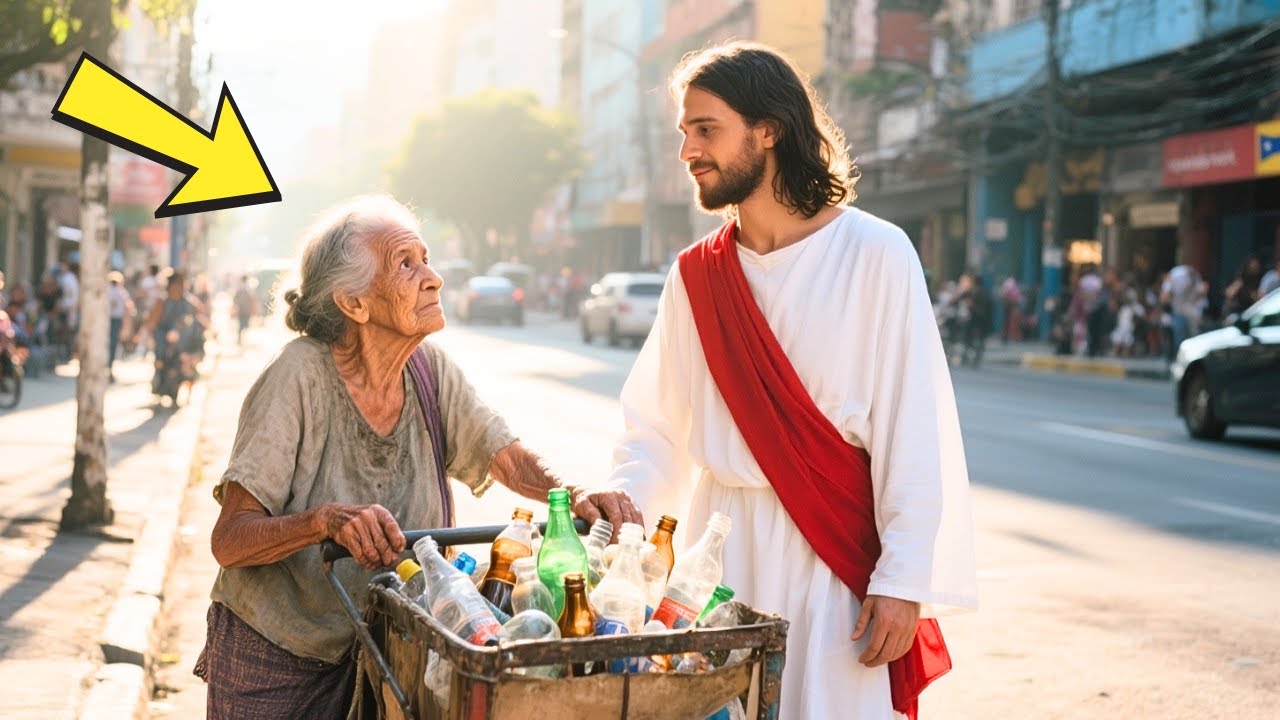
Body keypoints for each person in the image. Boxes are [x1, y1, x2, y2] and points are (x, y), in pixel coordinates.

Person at [606, 43, 977, 719]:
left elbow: (913, 428)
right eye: (684, 132)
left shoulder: (875, 253)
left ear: (769, 130)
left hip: (833, 562)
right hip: (717, 564)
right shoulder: (695, 276)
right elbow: (654, 428)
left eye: (706, 129)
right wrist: (622, 513)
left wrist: (902, 580)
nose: (688, 151)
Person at [196, 195, 640, 719]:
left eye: (426, 259)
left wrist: (573, 494)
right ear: (354, 303)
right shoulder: (297, 378)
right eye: (405, 264)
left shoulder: (428, 369)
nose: (434, 278)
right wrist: (323, 522)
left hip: (390, 652)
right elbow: (231, 539)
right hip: (280, 657)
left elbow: (507, 457)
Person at [106, 271, 134, 382]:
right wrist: (127, 326)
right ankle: (109, 367)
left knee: (107, 344)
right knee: (112, 345)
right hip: (116, 320)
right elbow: (129, 308)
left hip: (108, 320)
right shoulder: (122, 292)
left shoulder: (106, 291)